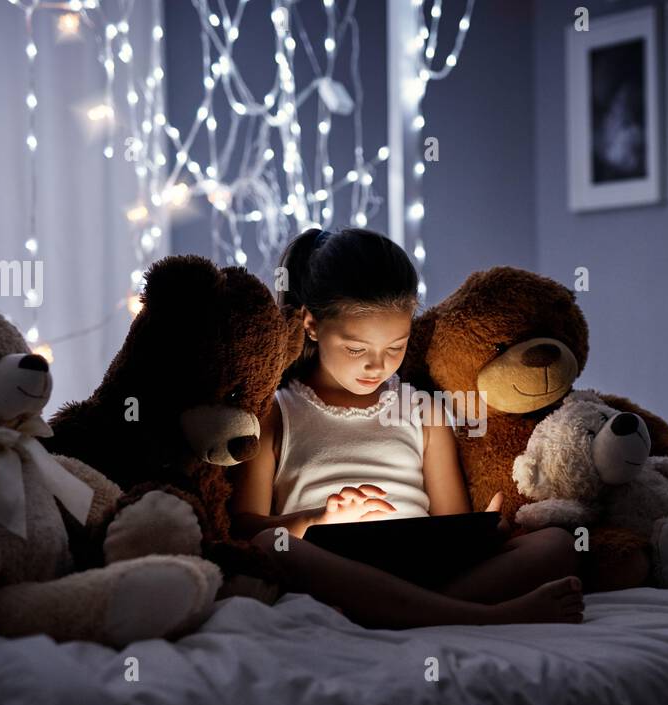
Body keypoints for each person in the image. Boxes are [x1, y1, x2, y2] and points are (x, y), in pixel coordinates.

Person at [229, 227, 584, 629]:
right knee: (271, 548)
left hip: (419, 569)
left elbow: (449, 519)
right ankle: (480, 615)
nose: (377, 366)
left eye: (394, 348)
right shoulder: (277, 411)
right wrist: (317, 519)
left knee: (555, 544)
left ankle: (401, 611)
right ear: (311, 324)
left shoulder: (423, 411)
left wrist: (481, 533)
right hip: (333, 571)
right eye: (356, 349)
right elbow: (245, 527)